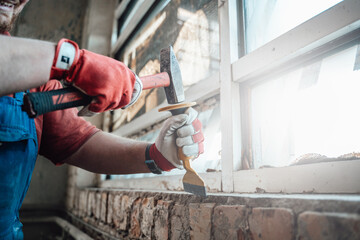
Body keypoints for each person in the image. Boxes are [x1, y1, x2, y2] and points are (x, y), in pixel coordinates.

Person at [0, 0, 205, 239]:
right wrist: (70, 62)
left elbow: (79, 144)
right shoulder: (52, 65)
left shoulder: (36, 83)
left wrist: (156, 156)